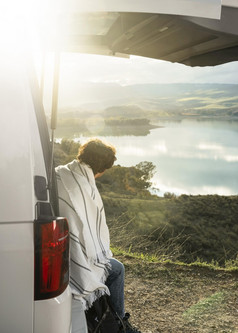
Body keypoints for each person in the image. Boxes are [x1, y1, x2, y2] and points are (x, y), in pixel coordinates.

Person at [55, 138, 141, 333]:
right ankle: (119, 325)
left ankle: (113, 319)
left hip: (62, 243)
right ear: (101, 168)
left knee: (110, 266)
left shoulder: (62, 172)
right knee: (116, 269)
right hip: (72, 252)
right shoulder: (84, 185)